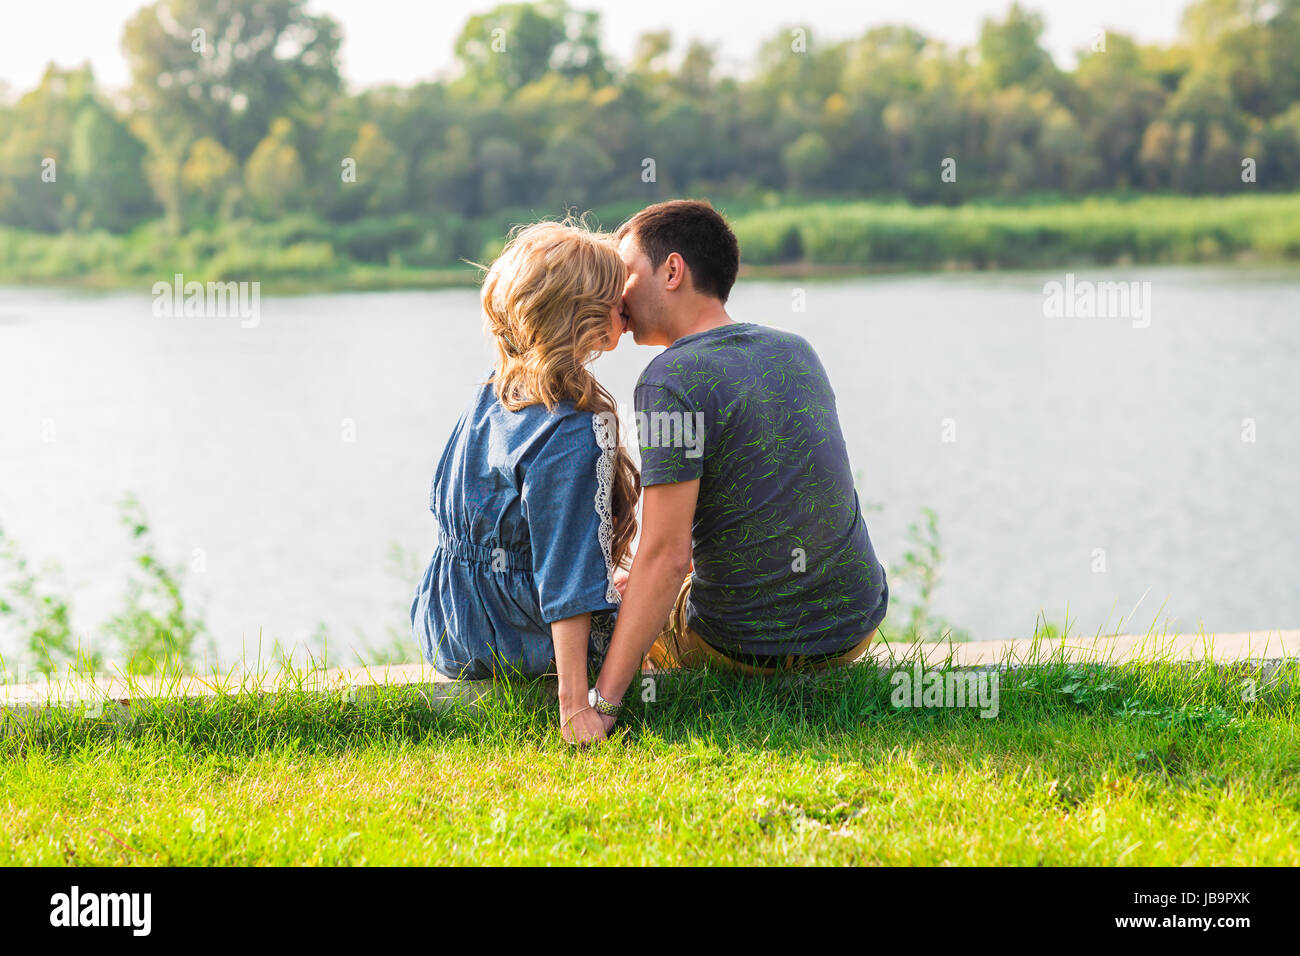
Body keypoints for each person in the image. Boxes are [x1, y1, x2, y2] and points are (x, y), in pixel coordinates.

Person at [586, 199, 889, 729]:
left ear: (672, 270)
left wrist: (604, 706)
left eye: (625, 273)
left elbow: (666, 554)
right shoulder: (797, 350)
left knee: (603, 601)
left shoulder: (669, 379)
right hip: (852, 628)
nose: (617, 293)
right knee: (641, 580)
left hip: (747, 648)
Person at [410, 220, 639, 745]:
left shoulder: (491, 397)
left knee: (629, 583)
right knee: (671, 598)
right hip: (512, 639)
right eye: (613, 297)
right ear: (578, 314)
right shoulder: (571, 429)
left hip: (446, 625)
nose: (625, 307)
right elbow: (567, 578)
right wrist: (575, 708)